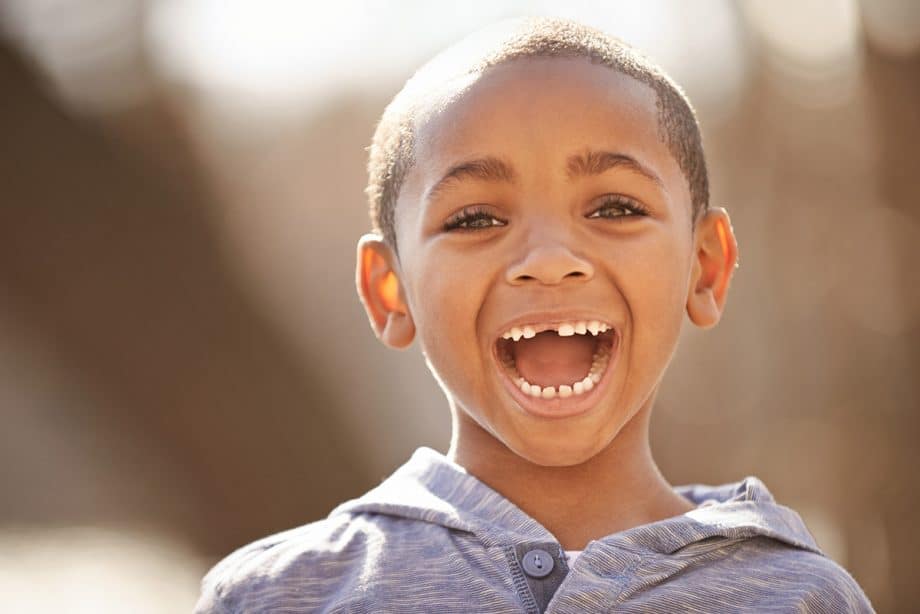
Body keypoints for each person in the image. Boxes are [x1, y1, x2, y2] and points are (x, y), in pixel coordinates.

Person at [195, 17, 874, 613]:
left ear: (705, 267)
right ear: (389, 289)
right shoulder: (280, 595)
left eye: (614, 208)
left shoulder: (799, 597)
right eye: (476, 218)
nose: (548, 259)